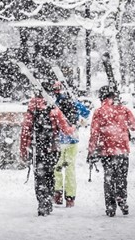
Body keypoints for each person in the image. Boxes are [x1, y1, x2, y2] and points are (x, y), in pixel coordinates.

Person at [20, 86, 76, 216]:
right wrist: (73, 127)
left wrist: (23, 150)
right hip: (52, 148)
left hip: (38, 149)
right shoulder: (54, 109)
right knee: (50, 174)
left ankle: (42, 202)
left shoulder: (31, 110)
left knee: (40, 176)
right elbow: (66, 129)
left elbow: (25, 132)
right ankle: (49, 200)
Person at [87, 85, 135, 217]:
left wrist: (91, 150)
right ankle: (122, 198)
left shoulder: (99, 112)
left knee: (109, 178)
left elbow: (94, 133)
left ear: (102, 97)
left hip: (107, 150)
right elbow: (134, 126)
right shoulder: (124, 109)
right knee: (121, 177)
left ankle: (110, 206)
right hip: (122, 150)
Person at [51, 80, 91, 208]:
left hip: (59, 140)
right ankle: (70, 198)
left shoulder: (54, 103)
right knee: (70, 169)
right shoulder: (73, 102)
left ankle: (57, 193)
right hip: (73, 139)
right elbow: (86, 113)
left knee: (56, 167)